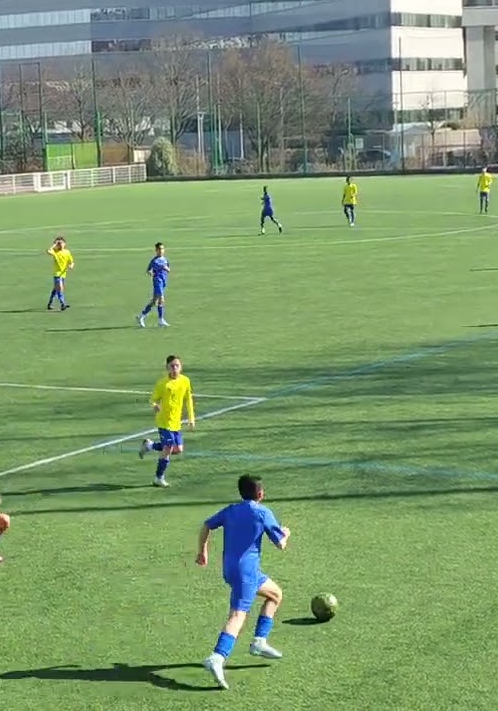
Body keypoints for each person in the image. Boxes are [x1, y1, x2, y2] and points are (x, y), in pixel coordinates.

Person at [198, 474, 290, 690]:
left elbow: (206, 525)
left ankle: (259, 642)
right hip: (245, 573)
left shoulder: (231, 510)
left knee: (275, 594)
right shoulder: (263, 512)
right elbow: (281, 544)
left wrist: (202, 551)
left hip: (232, 569)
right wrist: (285, 533)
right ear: (260, 494)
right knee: (238, 614)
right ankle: (218, 656)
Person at [138, 354, 195, 487]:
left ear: (181, 367)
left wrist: (191, 418)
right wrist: (155, 405)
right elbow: (152, 399)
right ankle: (159, 478)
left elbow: (189, 400)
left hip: (176, 422)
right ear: (167, 368)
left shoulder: (185, 381)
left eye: (177, 366)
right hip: (163, 421)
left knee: (178, 449)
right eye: (172, 366)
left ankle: (149, 445)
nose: (174, 368)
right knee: (168, 448)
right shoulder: (162, 383)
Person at [137, 242, 170, 328]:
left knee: (154, 301)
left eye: (162, 249)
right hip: (157, 281)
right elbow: (148, 269)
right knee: (161, 300)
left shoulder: (165, 259)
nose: (161, 251)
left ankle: (141, 316)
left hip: (163, 281)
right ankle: (160, 320)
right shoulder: (155, 261)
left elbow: (168, 268)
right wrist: (152, 273)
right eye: (159, 249)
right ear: (156, 250)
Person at [45, 236, 74, 311]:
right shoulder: (55, 252)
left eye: (61, 243)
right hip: (57, 274)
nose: (60, 245)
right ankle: (63, 304)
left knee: (56, 289)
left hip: (63, 274)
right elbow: (48, 251)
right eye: (59, 243)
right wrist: (54, 245)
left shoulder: (67, 252)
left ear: (65, 244)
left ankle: (50, 303)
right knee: (60, 288)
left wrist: (71, 266)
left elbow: (71, 262)